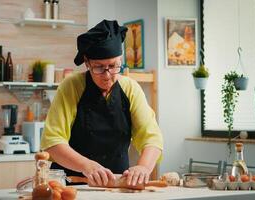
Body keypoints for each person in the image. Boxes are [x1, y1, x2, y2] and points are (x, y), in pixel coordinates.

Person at [41, 19, 163, 187]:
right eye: (99, 67)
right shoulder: (71, 86)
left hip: (118, 186)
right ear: (87, 63)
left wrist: (143, 167)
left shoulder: (130, 88)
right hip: (73, 184)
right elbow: (53, 142)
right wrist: (86, 165)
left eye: (113, 66)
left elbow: (152, 138)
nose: (107, 75)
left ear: (120, 60)